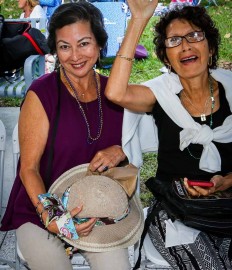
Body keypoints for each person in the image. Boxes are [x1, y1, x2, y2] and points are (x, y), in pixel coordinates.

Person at [0, 2, 143, 270]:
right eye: (65, 46)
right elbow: (28, 169)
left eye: (84, 43)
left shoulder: (115, 93)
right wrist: (53, 216)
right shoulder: (42, 94)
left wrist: (121, 150)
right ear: (56, 50)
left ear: (100, 45)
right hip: (41, 207)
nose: (75, 55)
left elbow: (144, 133)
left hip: (98, 208)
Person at [105, 0, 232, 269]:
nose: (185, 46)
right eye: (174, 41)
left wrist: (226, 182)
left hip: (225, 207)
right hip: (176, 213)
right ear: (166, 57)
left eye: (194, 36)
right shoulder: (160, 95)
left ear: (210, 47)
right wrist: (138, 20)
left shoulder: (231, 90)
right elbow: (115, 92)